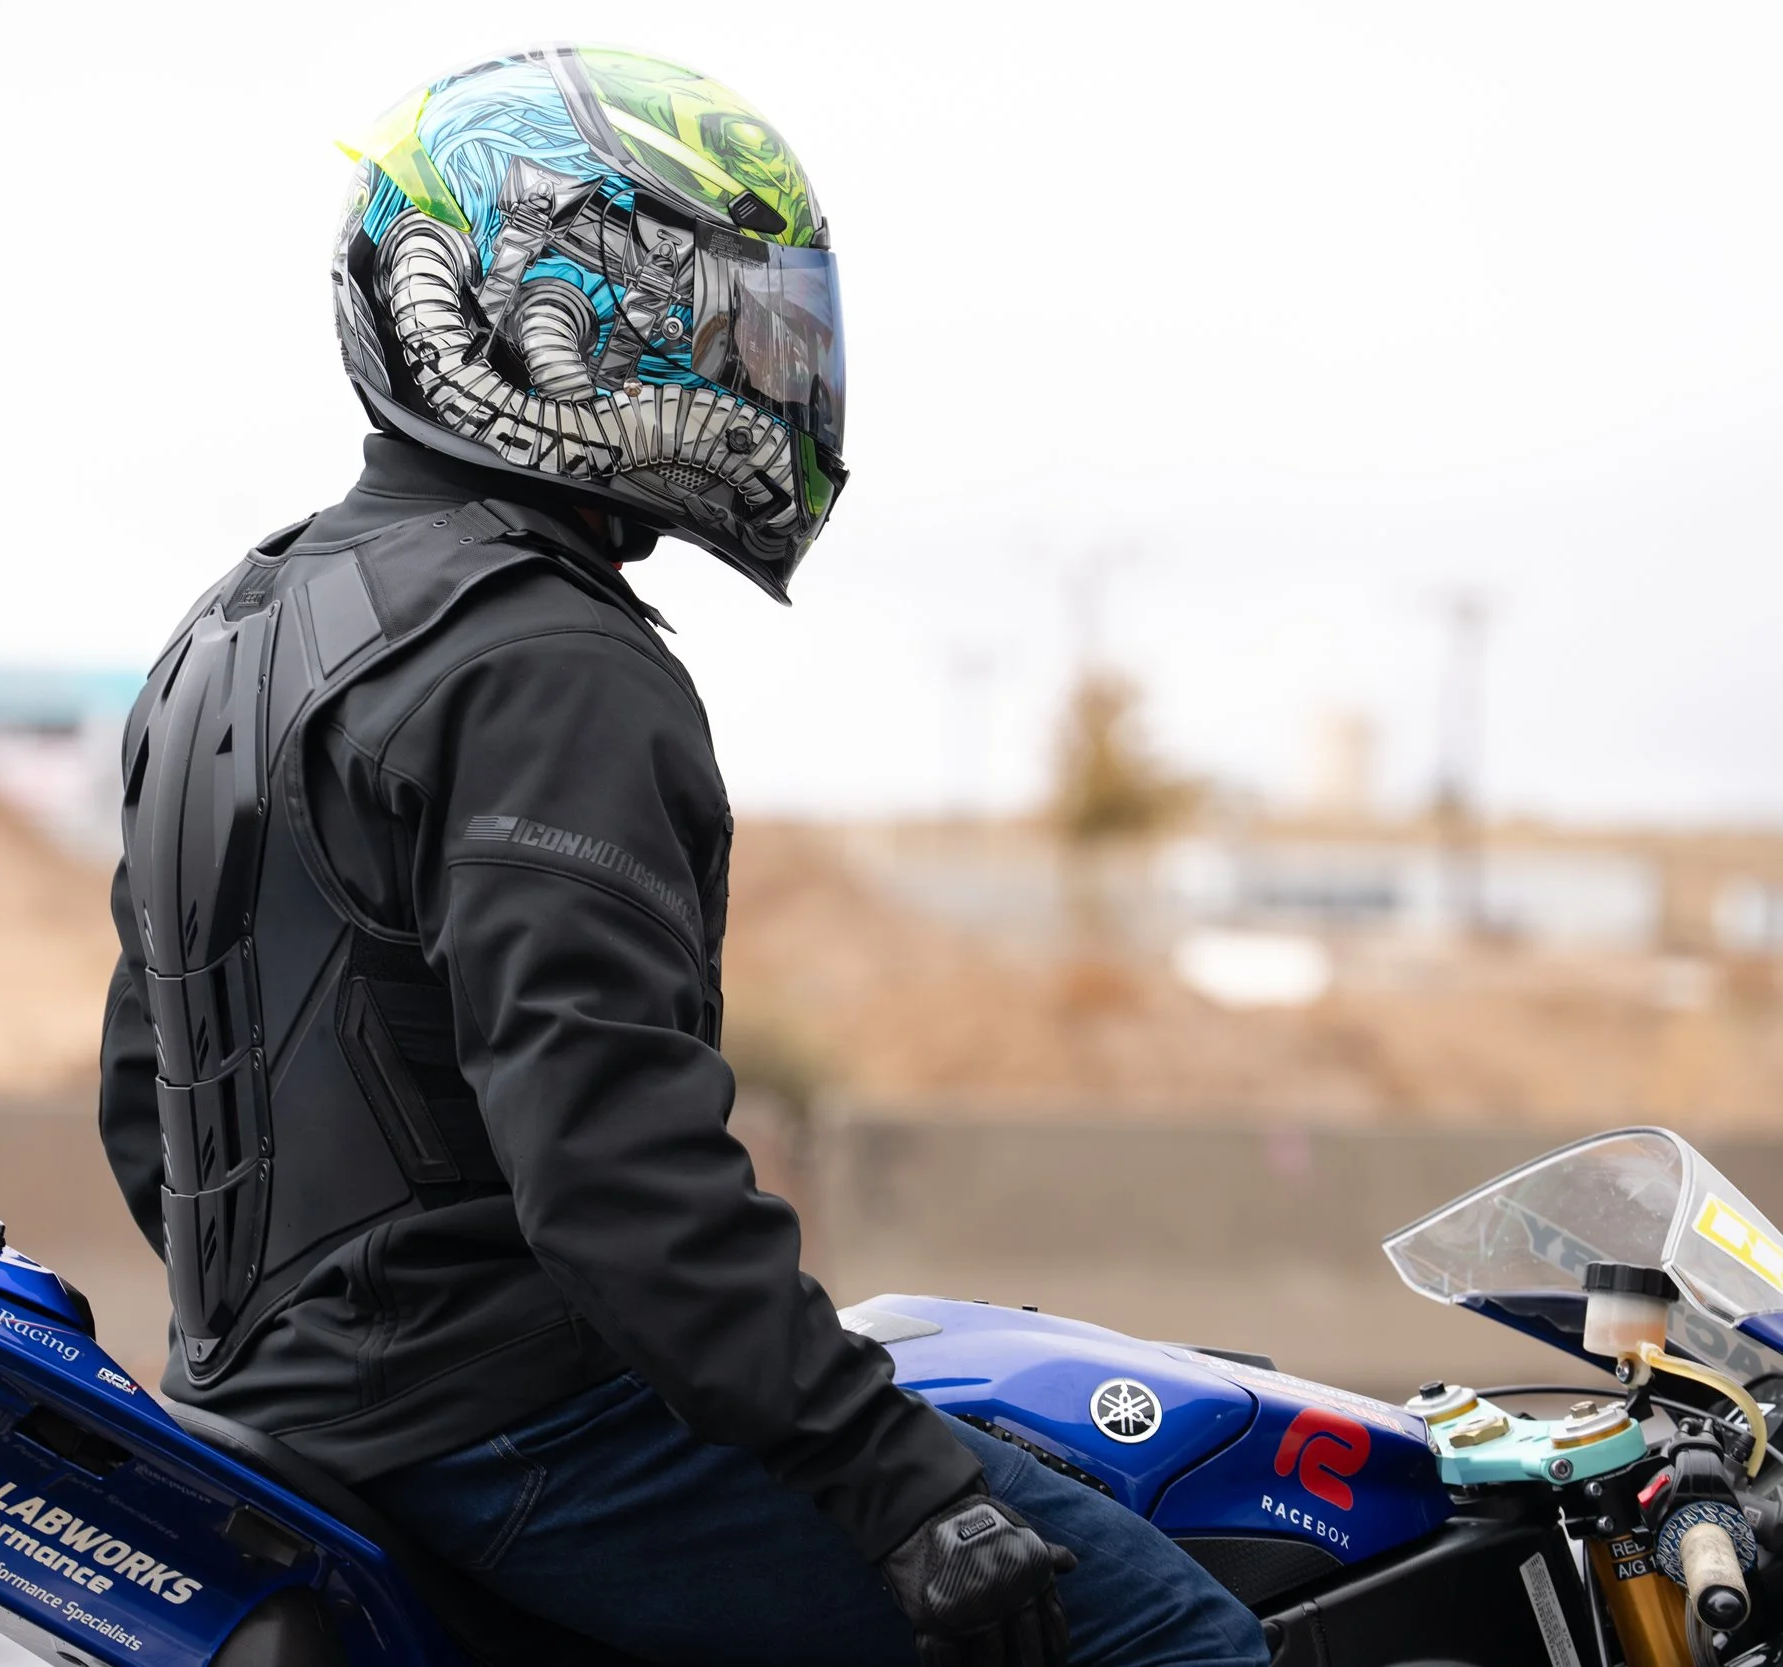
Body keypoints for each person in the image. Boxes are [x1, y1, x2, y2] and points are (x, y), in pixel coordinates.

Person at [98, 45, 1271, 1667]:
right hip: (523, 1428)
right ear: (554, 303)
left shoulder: (235, 628)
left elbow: (149, 1094)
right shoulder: (545, 659)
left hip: (288, 1413)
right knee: (1178, 1640)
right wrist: (895, 1484)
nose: (767, 368)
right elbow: (610, 1166)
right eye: (728, 317)